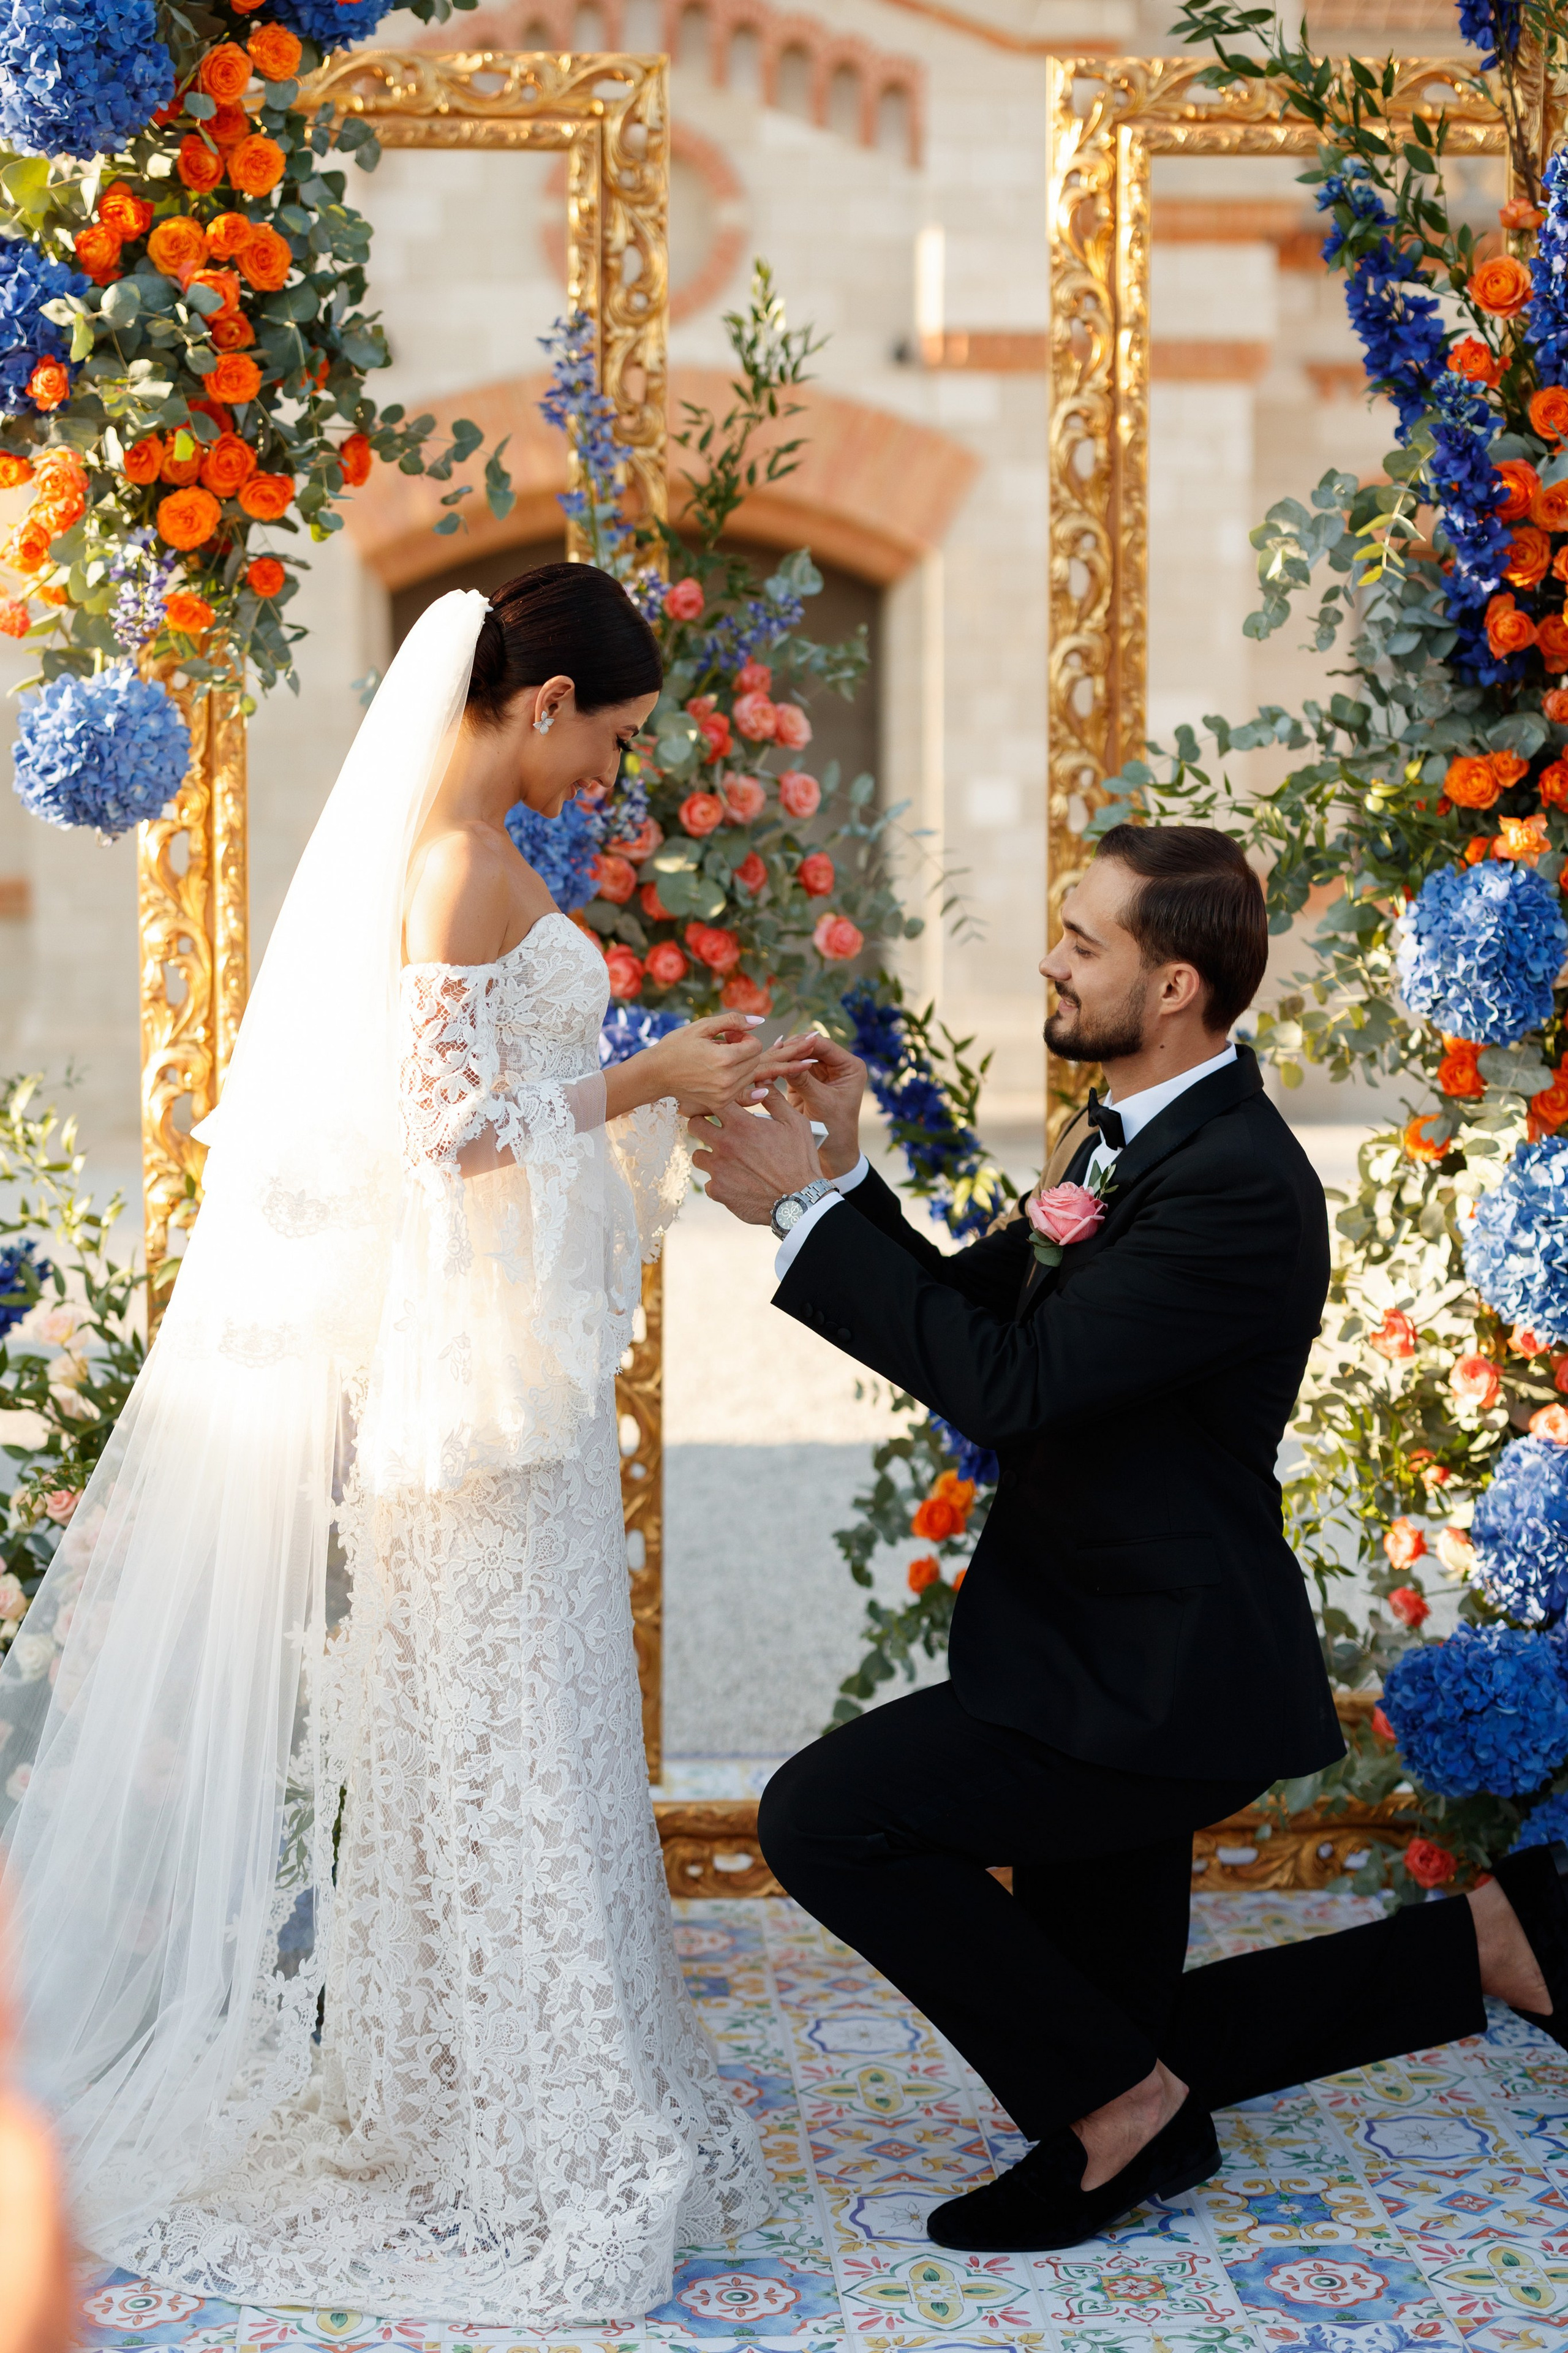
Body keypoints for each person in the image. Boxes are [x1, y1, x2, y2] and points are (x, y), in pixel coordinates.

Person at [0, 568, 792, 2325]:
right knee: (500, 1724)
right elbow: (438, 1131)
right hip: (469, 1395)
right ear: (545, 699)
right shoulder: (449, 865)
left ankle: (507, 2089)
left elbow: (501, 1102)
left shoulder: (486, 854)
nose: (611, 773)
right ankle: (511, 2121)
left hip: (512, 1368)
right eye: (614, 735)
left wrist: (687, 1075)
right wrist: (652, 1082)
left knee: (532, 1722)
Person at [693, 821, 1568, 2255]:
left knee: (827, 1817)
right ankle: (1487, 1940)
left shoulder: (1231, 1181)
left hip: (1156, 1681)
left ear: (1171, 987)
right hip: (1084, 1643)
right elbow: (984, 1326)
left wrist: (799, 1207)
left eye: (1084, 939)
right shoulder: (1132, 1133)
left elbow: (1008, 1388)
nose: (1049, 955)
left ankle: (1120, 2120)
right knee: (1121, 2023)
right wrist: (840, 1180)